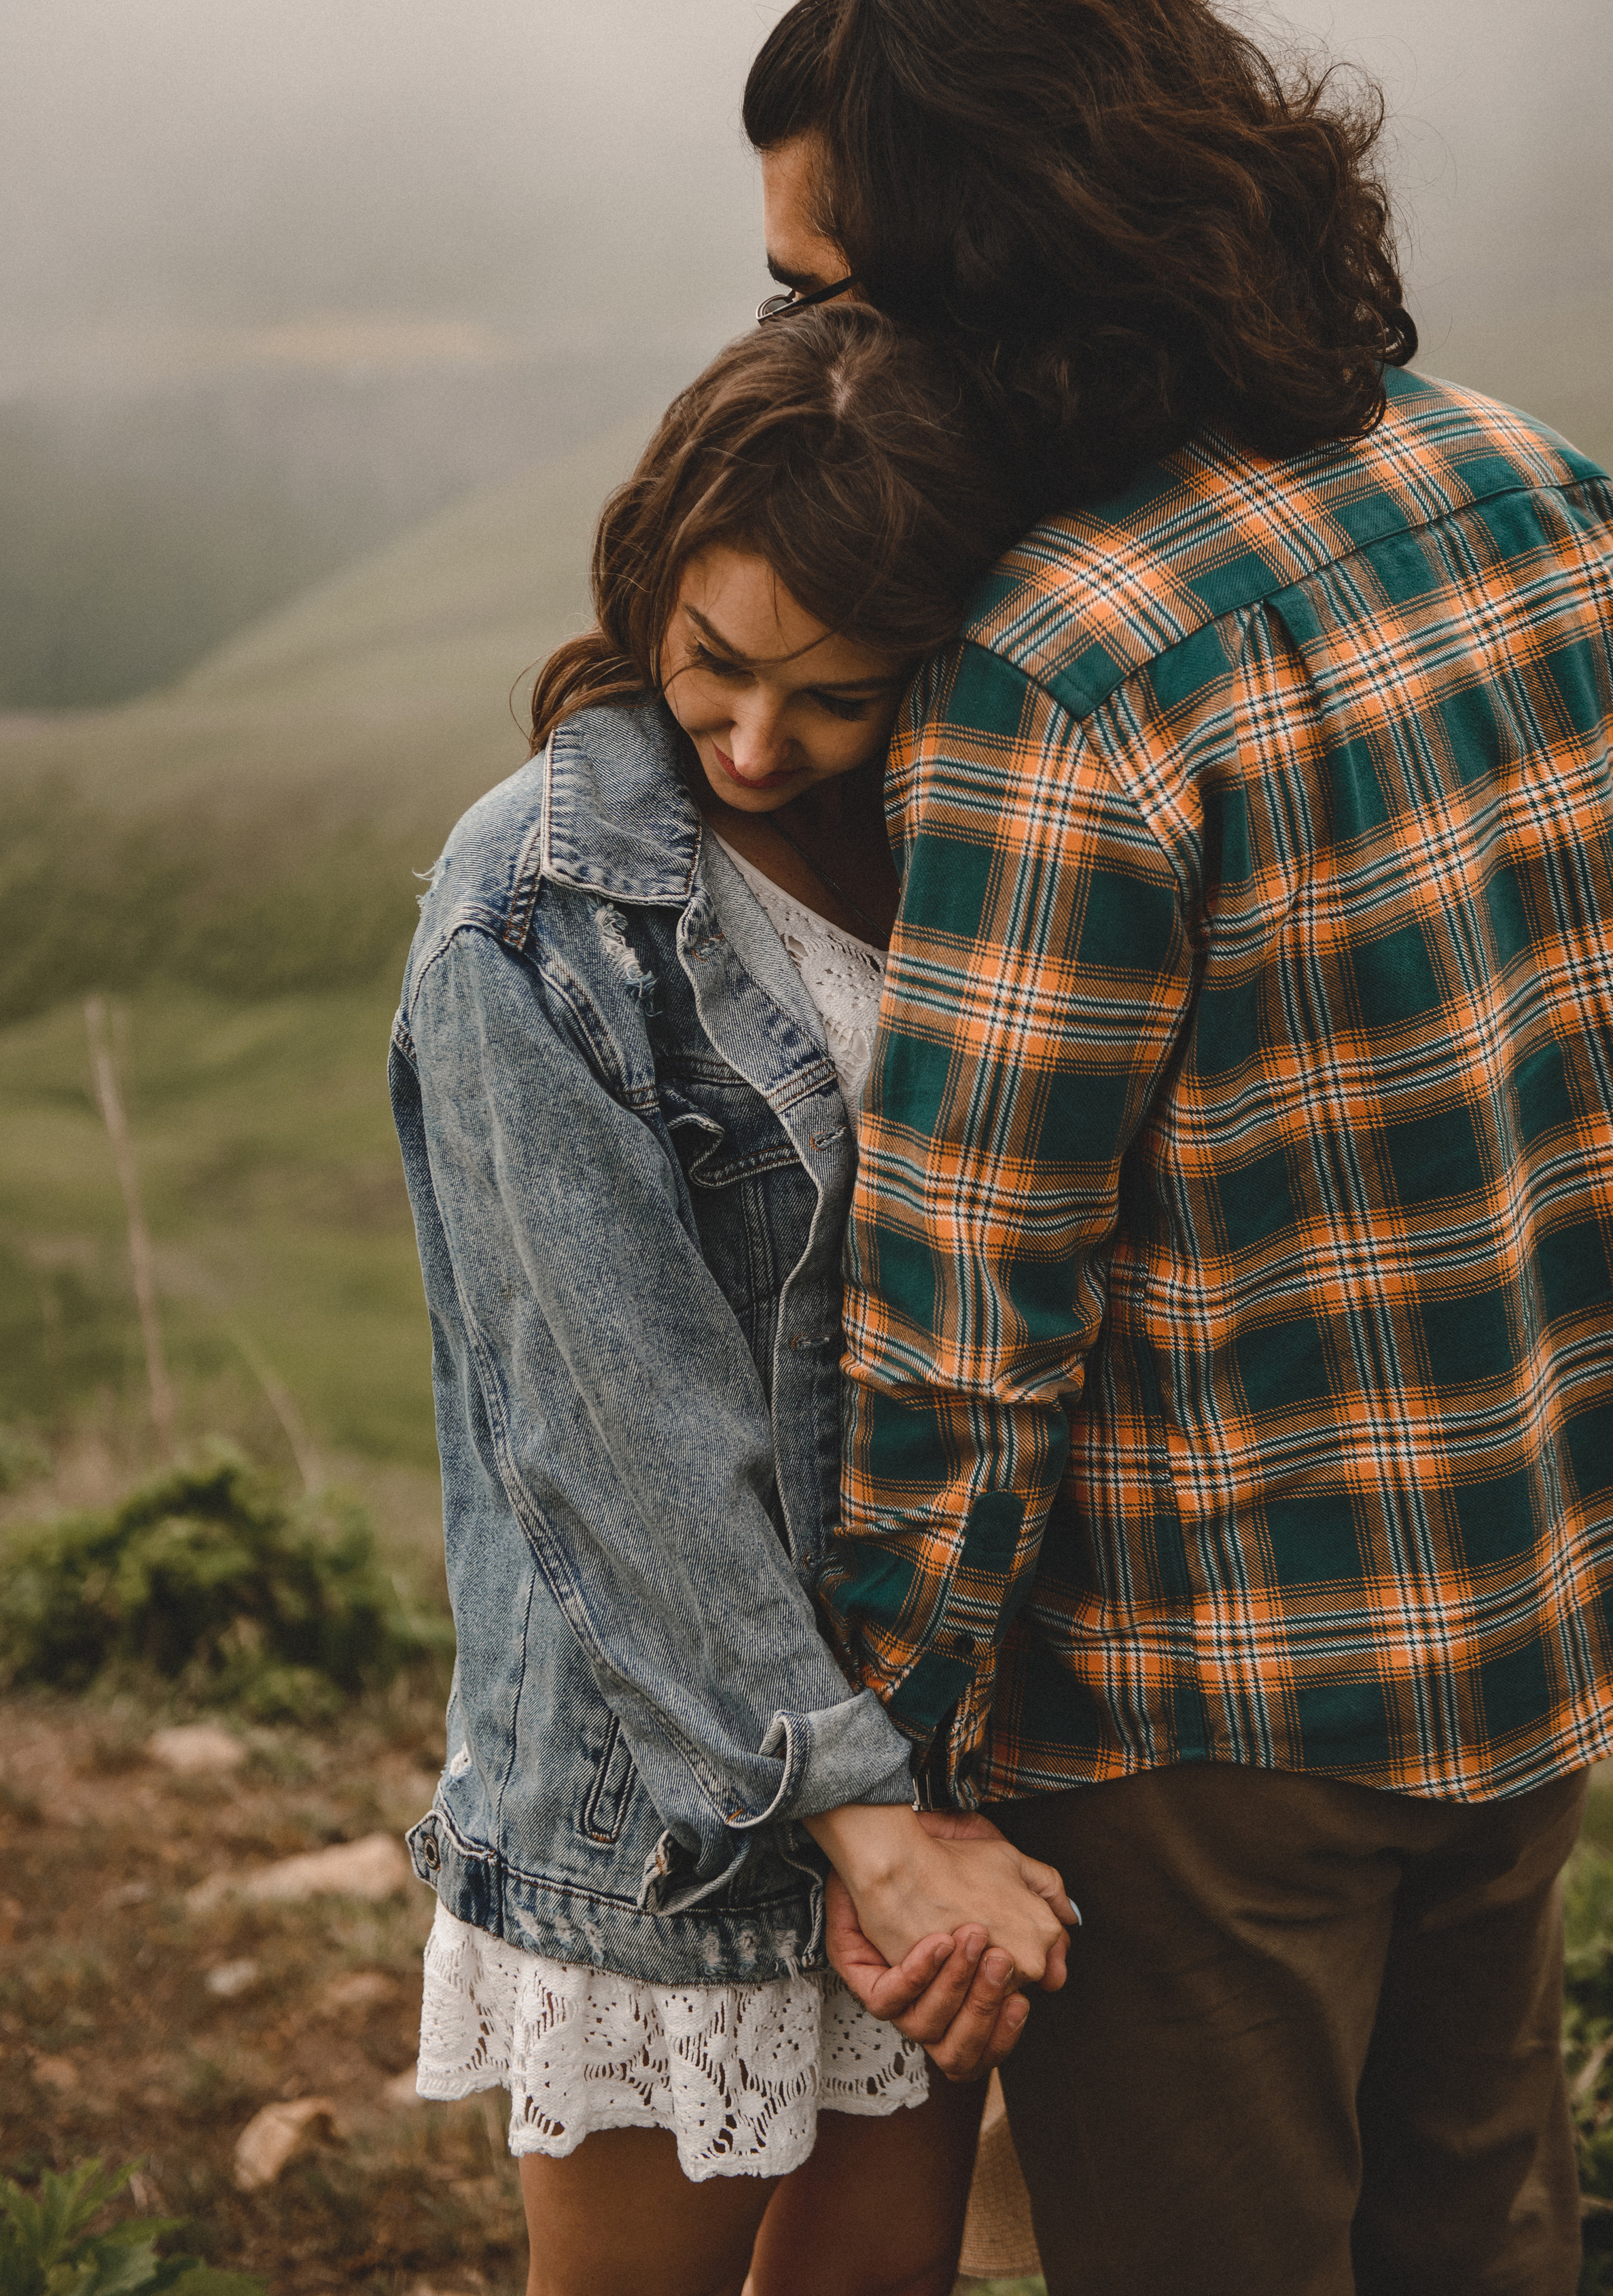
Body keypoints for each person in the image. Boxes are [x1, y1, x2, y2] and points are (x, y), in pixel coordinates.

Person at [743, 0, 1613, 2295]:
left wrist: (881, 1761)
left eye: (831, 302)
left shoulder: (1064, 664)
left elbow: (973, 1293)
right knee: (1482, 2242)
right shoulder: (1545, 491)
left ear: (991, 268)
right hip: (1531, 1610)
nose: (806, 362)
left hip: (1205, 1712)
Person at [389, 305, 1076, 2296]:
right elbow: (617, 1431)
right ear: (646, 584)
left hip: (924, 1750)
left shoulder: (960, 839)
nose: (763, 742)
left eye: (838, 694)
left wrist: (919, 1797)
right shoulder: (531, 903)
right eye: (716, 666)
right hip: (660, 1805)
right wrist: (857, 1816)